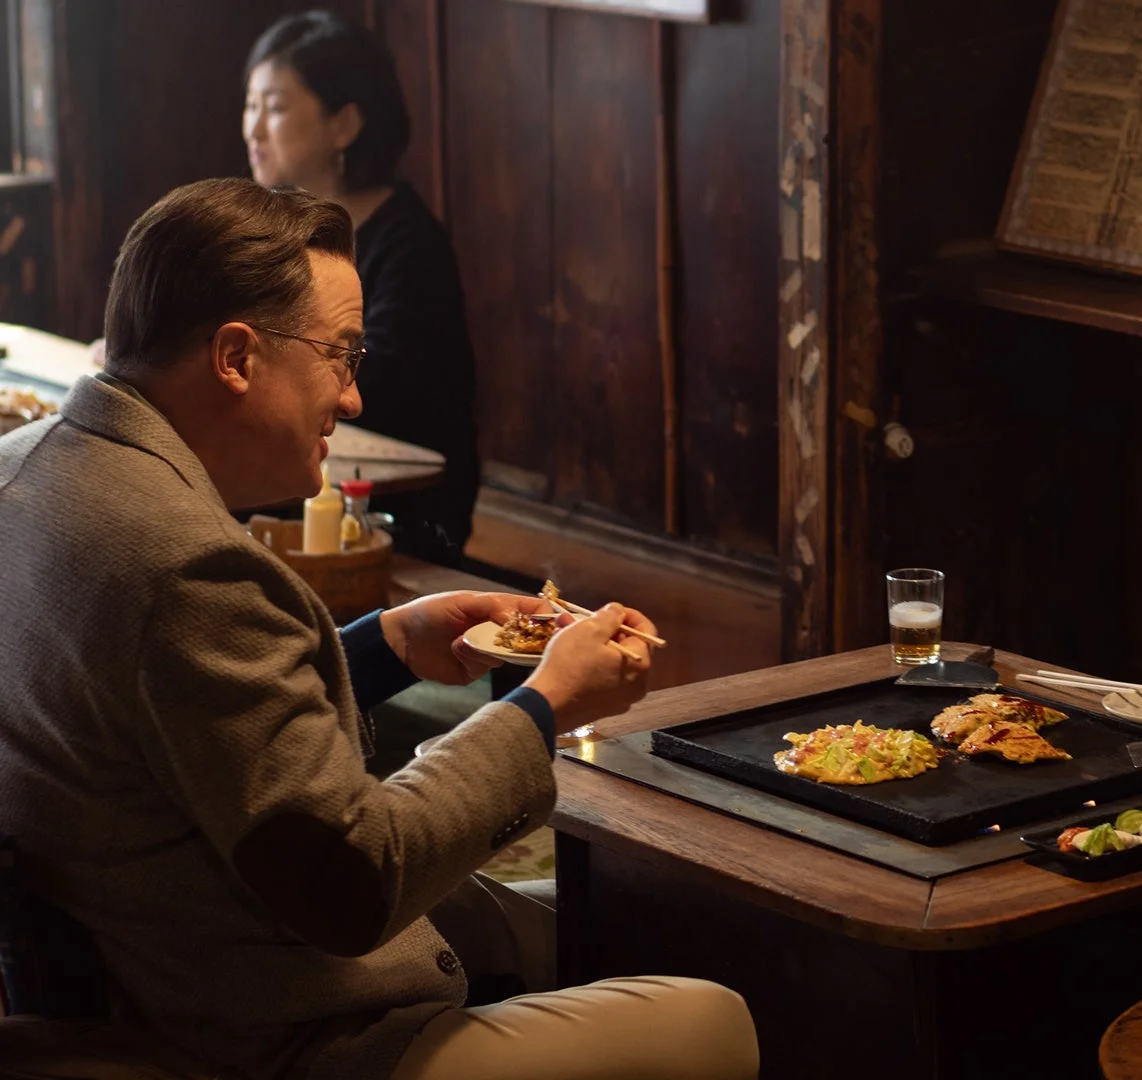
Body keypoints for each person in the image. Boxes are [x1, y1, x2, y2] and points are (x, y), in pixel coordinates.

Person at [0, 179, 757, 1080]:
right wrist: (545, 702)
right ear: (236, 356)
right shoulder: (188, 568)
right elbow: (356, 878)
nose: (354, 398)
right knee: (718, 1017)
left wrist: (388, 645)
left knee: (606, 919)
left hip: (133, 971)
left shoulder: (24, 469)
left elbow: (189, 733)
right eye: (342, 355)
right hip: (278, 1031)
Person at [244, 11, 480, 566]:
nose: (253, 129)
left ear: (344, 125)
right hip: (303, 464)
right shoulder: (277, 226)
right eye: (250, 105)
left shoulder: (409, 243)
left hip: (396, 498)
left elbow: (378, 382)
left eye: (274, 108)